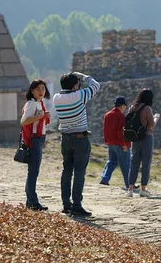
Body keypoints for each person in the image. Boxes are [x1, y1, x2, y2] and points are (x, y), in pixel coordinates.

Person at [53, 72, 100, 216]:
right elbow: (96, 85)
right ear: (75, 86)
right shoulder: (79, 96)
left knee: (66, 171)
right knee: (79, 172)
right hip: (80, 138)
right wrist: (83, 76)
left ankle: (66, 204)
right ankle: (77, 204)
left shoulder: (56, 98)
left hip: (65, 138)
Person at [21, 79, 51, 211]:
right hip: (34, 139)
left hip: (39, 138)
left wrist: (44, 116)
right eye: (38, 89)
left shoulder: (40, 104)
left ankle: (30, 201)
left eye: (43, 89)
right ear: (32, 90)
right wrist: (40, 116)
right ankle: (33, 201)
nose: (41, 91)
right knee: (33, 171)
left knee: (34, 170)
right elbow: (24, 121)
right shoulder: (31, 104)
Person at [127, 89, 159, 198]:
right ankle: (143, 189)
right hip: (146, 137)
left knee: (134, 162)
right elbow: (151, 125)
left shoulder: (132, 107)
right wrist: (156, 118)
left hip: (134, 137)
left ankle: (130, 189)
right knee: (146, 163)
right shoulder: (147, 108)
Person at [100, 96, 131, 188]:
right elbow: (120, 132)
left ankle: (105, 178)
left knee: (111, 161)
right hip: (119, 144)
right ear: (122, 106)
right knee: (125, 164)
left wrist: (107, 141)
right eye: (124, 106)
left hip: (110, 143)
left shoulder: (107, 114)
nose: (124, 108)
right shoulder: (121, 116)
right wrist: (124, 144)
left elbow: (105, 129)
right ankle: (129, 184)